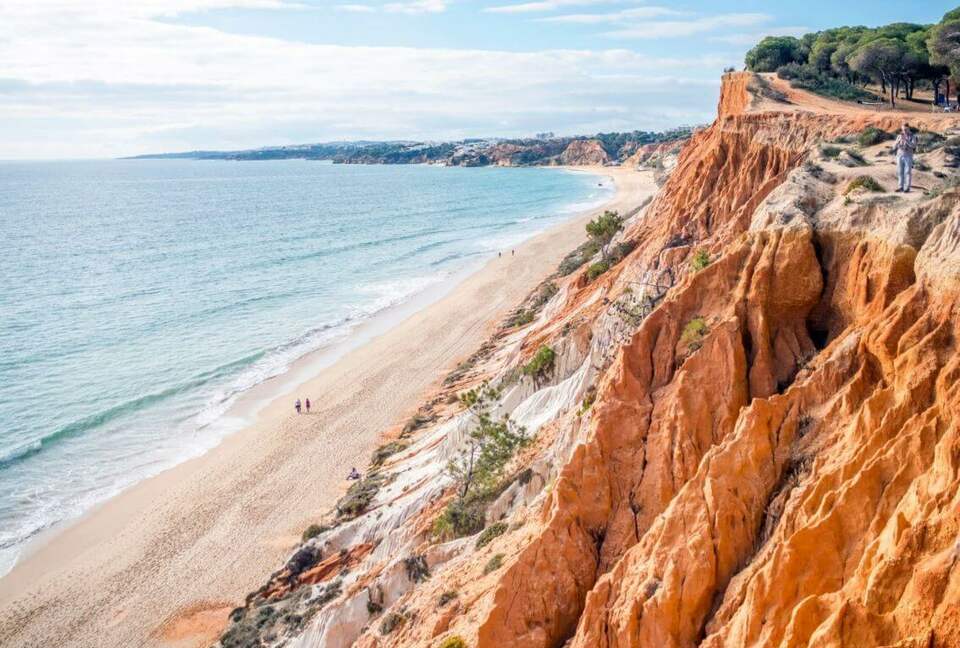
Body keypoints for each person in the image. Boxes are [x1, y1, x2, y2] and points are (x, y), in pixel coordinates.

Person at [892, 123, 917, 193]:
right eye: (903, 130)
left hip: (908, 156)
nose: (904, 131)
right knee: (900, 172)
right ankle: (900, 187)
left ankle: (907, 188)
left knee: (907, 172)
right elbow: (893, 146)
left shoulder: (913, 136)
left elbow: (914, 146)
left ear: (909, 129)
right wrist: (897, 143)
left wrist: (906, 140)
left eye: (905, 129)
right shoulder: (899, 136)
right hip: (899, 155)